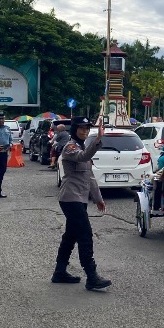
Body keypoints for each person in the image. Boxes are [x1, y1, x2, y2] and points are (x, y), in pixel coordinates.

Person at [52, 116, 111, 290]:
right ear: (74, 130)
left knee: (70, 236)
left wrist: (98, 198)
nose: (85, 131)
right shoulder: (70, 148)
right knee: (85, 236)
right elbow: (84, 156)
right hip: (70, 198)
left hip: (81, 198)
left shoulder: (82, 146)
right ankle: (92, 276)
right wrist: (98, 139)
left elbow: (90, 177)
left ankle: (59, 272)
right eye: (81, 128)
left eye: (87, 128)